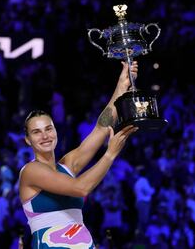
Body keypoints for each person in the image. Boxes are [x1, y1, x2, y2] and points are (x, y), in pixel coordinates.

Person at [18, 61, 139, 248]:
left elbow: (101, 127)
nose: (45, 136)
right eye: (36, 132)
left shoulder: (68, 165)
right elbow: (81, 188)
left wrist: (121, 87)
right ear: (28, 140)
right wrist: (109, 155)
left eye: (49, 129)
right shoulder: (30, 171)